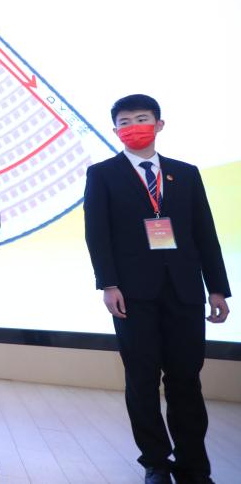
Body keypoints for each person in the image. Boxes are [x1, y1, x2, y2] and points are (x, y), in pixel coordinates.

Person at [84, 94, 230, 484]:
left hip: (185, 292)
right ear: (115, 130)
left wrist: (217, 288)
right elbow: (97, 234)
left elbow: (204, 233)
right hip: (132, 295)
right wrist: (108, 284)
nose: (134, 127)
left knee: (186, 379)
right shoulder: (102, 174)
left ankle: (193, 466)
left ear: (159, 124)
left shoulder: (186, 173)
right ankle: (155, 462)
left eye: (142, 118)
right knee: (142, 380)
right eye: (125, 122)